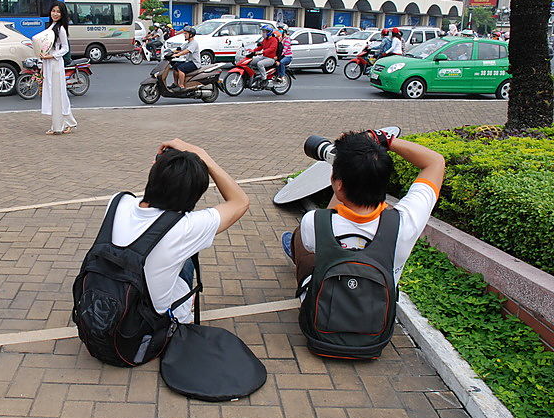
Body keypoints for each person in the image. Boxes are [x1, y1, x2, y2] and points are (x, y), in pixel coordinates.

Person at [281, 130, 445, 303]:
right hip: (376, 321)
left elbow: (328, 215)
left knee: (300, 238)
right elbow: (435, 162)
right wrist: (384, 139)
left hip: (322, 316)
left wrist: (345, 167)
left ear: (338, 184)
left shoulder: (314, 222)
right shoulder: (405, 223)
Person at [107, 139, 249, 323]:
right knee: (186, 257)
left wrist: (163, 167)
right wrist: (201, 153)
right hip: (146, 329)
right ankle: (183, 314)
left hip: (105, 312)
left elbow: (150, 199)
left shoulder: (118, 202)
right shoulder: (184, 229)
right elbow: (240, 201)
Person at [41, 1, 77, 136]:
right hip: (48, 63)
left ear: (62, 14)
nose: (55, 14)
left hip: (55, 64)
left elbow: (65, 48)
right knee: (54, 93)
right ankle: (68, 122)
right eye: (53, 11)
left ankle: (58, 126)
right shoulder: (51, 26)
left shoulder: (60, 29)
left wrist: (52, 56)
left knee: (57, 94)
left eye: (58, 12)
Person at [169, 26, 201, 90]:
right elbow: (180, 49)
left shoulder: (194, 43)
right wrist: (170, 52)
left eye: (186, 34)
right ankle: (175, 84)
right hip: (188, 61)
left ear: (191, 35)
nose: (184, 35)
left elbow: (186, 51)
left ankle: (181, 86)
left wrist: (177, 54)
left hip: (195, 63)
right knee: (175, 66)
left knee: (181, 68)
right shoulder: (188, 43)